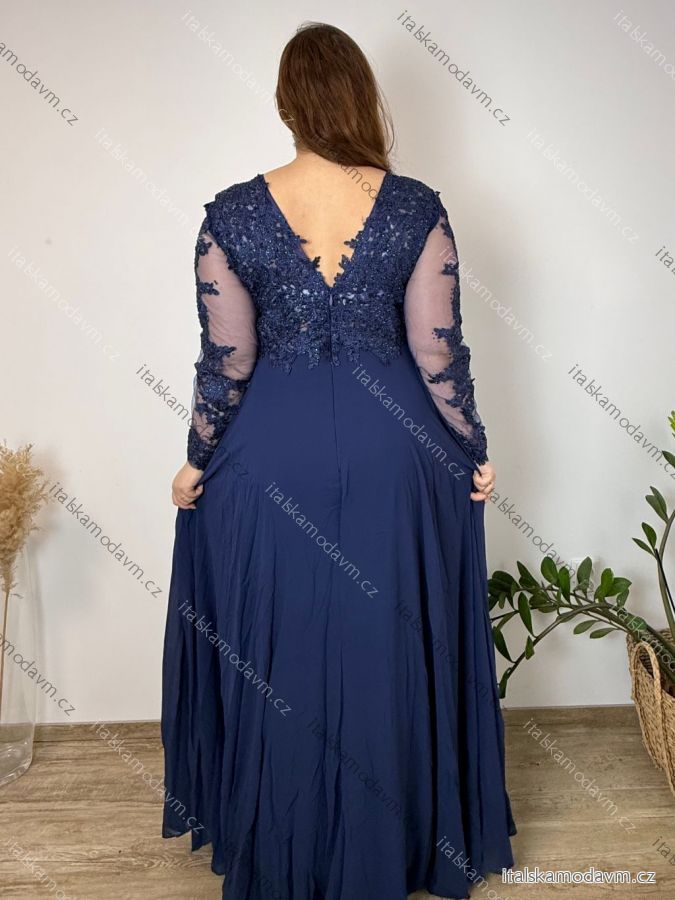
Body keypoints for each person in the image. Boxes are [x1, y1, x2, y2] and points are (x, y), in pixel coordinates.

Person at [162, 21, 516, 900]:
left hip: (268, 455)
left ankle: (285, 846)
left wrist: (196, 460)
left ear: (286, 103)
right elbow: (436, 350)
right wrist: (471, 447)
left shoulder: (231, 213)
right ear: (362, 98)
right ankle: (403, 845)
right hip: (394, 449)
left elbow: (227, 362)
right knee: (386, 640)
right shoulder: (415, 206)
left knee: (275, 655)